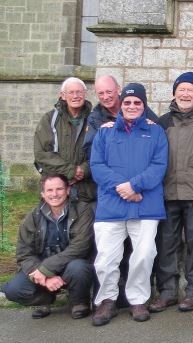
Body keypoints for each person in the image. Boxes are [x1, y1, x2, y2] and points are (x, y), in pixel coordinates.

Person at [88, 83, 168, 325]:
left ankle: (137, 299)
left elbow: (159, 166)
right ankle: (107, 300)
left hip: (146, 204)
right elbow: (97, 166)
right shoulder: (105, 132)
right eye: (128, 103)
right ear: (121, 105)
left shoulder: (156, 132)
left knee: (144, 255)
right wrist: (123, 188)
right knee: (105, 258)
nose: (132, 106)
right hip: (111, 205)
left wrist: (135, 186)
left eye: (137, 103)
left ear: (144, 106)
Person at [151, 72, 193, 313]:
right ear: (174, 93)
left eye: (190, 90)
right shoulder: (162, 122)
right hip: (168, 193)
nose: (186, 94)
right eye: (181, 90)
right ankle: (167, 292)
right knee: (167, 243)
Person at [1, 174, 94, 320]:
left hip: (71, 265)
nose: (55, 194)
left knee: (79, 268)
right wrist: (44, 277)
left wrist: (45, 270)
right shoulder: (33, 217)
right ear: (43, 194)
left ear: (68, 190)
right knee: (13, 290)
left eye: (59, 189)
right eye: (49, 190)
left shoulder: (83, 211)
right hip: (41, 268)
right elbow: (24, 254)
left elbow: (80, 247)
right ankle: (46, 298)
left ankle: (79, 302)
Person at [34, 78, 94, 207]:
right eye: (71, 92)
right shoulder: (49, 119)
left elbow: (101, 152)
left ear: (85, 94)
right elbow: (42, 154)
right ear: (63, 95)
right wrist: (71, 171)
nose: (75, 96)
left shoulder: (94, 120)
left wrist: (83, 170)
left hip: (86, 191)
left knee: (83, 226)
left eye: (79, 92)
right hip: (55, 190)